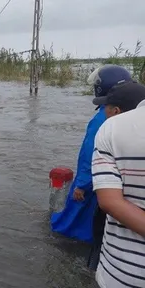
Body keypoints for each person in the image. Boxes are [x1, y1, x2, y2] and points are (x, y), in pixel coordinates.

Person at [50, 65, 132, 249]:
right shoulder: (131, 114)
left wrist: (82, 184)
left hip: (95, 183)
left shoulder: (102, 118)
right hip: (117, 183)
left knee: (72, 219)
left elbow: (90, 154)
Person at [91, 81, 145, 288]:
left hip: (120, 273)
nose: (102, 111)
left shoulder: (111, 128)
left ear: (116, 110)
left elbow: (110, 202)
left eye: (105, 106)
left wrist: (80, 185)